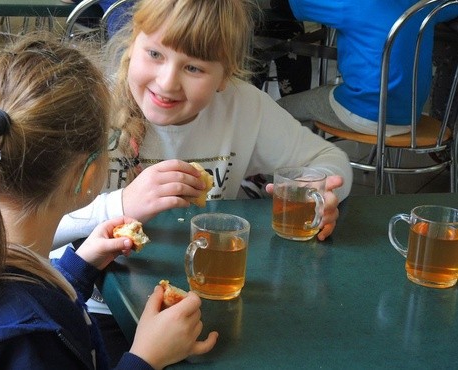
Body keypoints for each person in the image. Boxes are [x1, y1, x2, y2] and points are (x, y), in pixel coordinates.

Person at [0, 33, 217, 369]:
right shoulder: (35, 341)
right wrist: (145, 358)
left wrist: (78, 267)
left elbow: (19, 307)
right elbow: (31, 332)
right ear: (85, 176)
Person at [54, 0, 352, 249]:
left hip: (200, 285)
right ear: (133, 43)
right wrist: (120, 205)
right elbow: (20, 227)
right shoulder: (86, 105)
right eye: (155, 54)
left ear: (225, 76)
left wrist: (317, 195)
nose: (167, 82)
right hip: (86, 301)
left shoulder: (244, 107)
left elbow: (331, 161)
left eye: (193, 67)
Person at [276, 0, 458, 136]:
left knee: (280, 107)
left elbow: (285, 4)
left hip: (361, 112)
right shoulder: (425, 3)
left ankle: (295, 170)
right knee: (329, 90)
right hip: (408, 116)